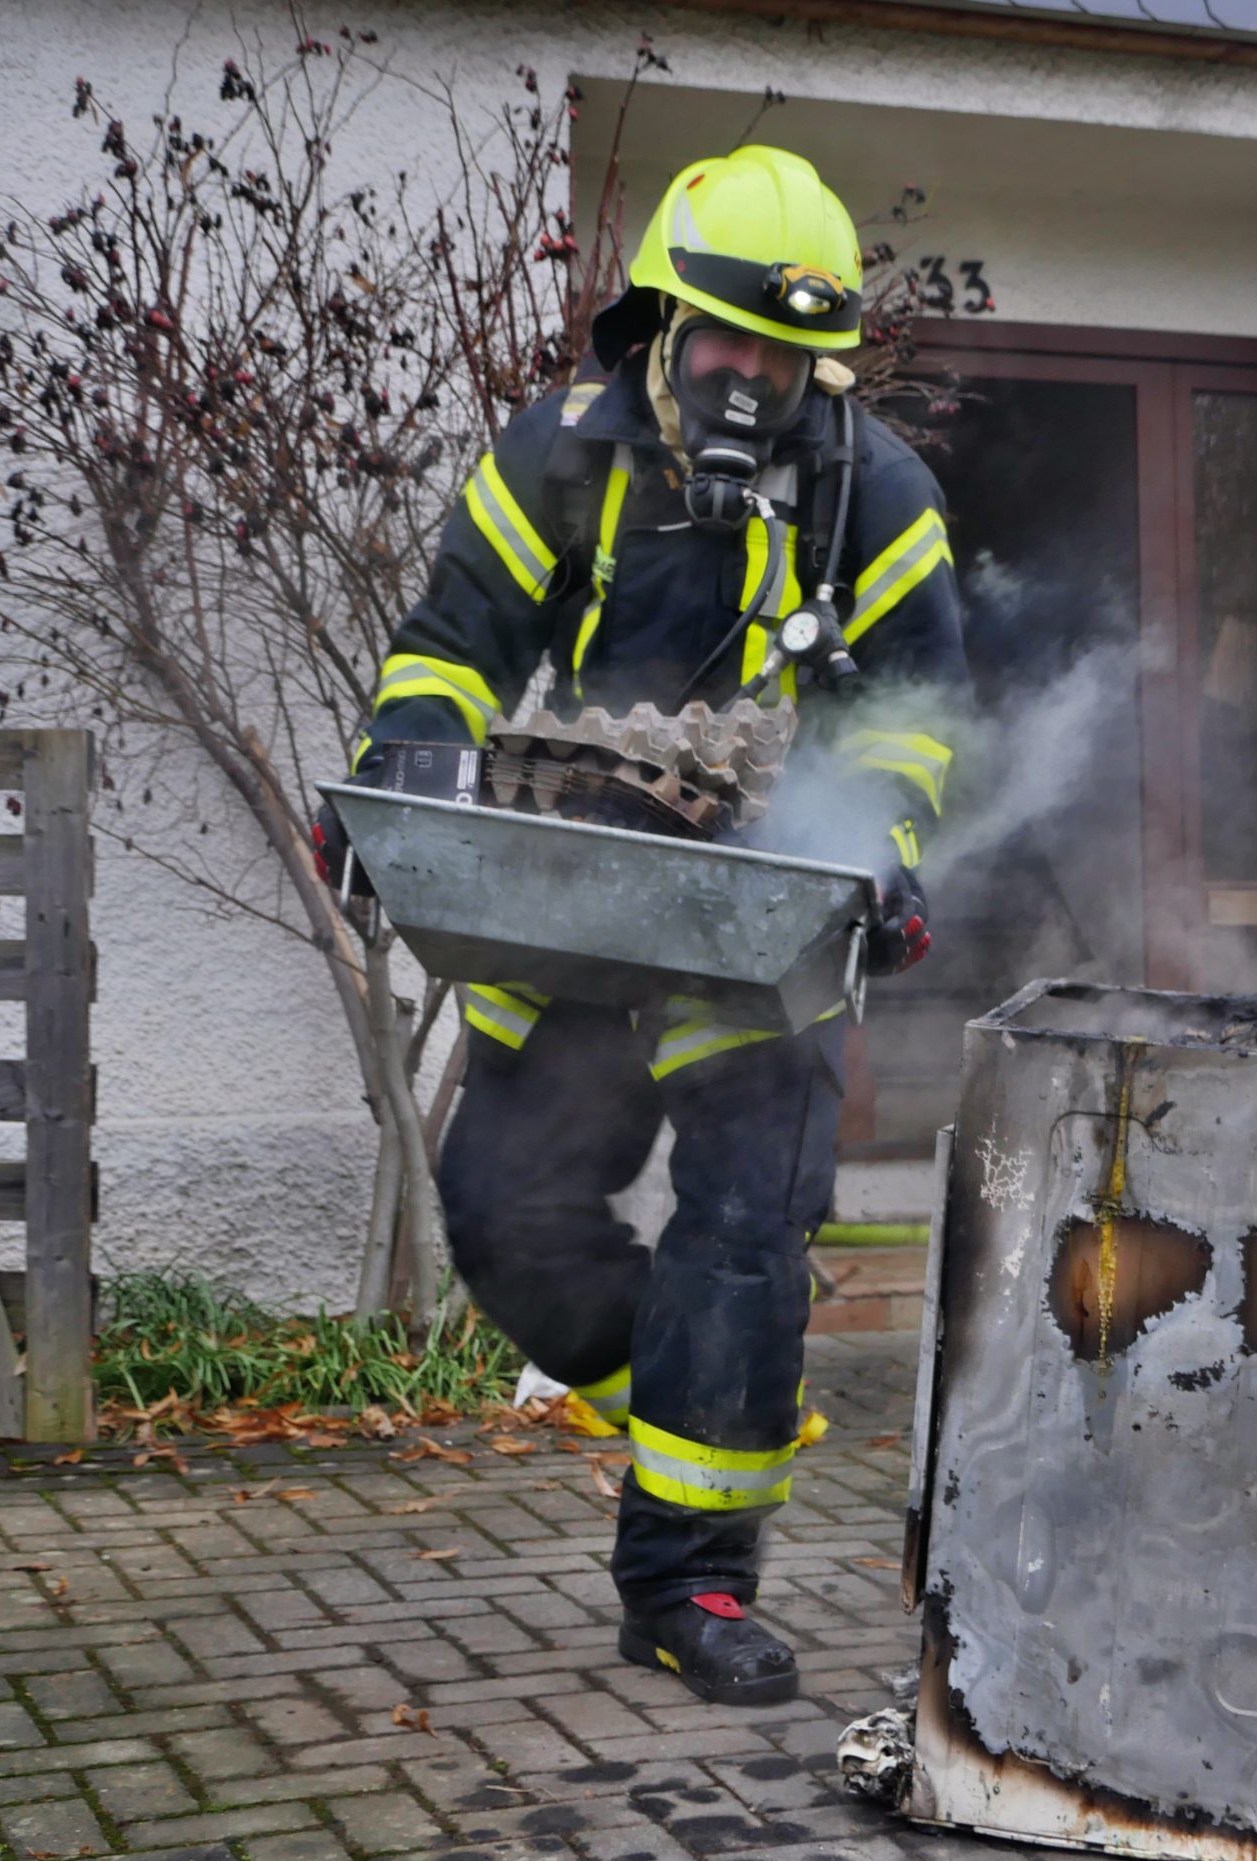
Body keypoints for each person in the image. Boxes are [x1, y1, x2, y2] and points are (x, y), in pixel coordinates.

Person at [318, 146, 965, 1704]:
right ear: (665, 325)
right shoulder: (560, 455)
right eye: (728, 341)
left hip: (762, 920)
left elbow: (914, 712)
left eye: (786, 357)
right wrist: (404, 763)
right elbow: (453, 644)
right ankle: (695, 1393)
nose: (754, 380)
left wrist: (876, 852)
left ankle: (691, 1587)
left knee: (741, 1248)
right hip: (573, 904)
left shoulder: (875, 491)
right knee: (505, 1221)